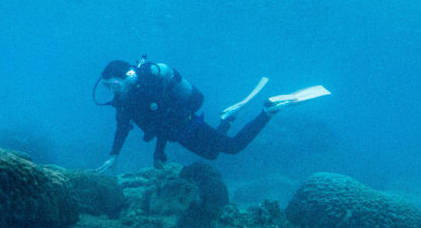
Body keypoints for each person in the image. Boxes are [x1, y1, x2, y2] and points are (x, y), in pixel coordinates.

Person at [94, 56, 328, 172]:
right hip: (180, 131)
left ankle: (268, 110)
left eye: (114, 84)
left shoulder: (148, 88)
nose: (112, 90)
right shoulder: (123, 101)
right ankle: (227, 118)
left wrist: (158, 152)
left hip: (186, 126)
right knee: (213, 155)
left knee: (233, 147)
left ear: (129, 76)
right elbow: (122, 128)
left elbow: (162, 120)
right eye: (107, 87)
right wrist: (114, 155)